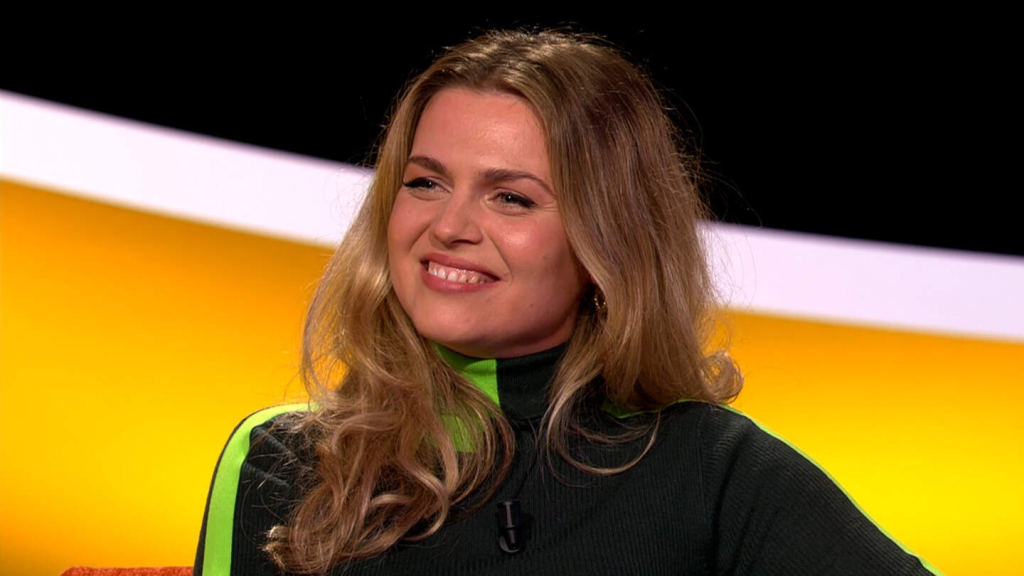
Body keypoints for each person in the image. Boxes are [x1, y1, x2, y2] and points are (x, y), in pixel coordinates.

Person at [193, 30, 940, 575]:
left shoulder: (712, 471)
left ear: (606, 241)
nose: (448, 227)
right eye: (424, 183)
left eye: (511, 198)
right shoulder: (281, 460)